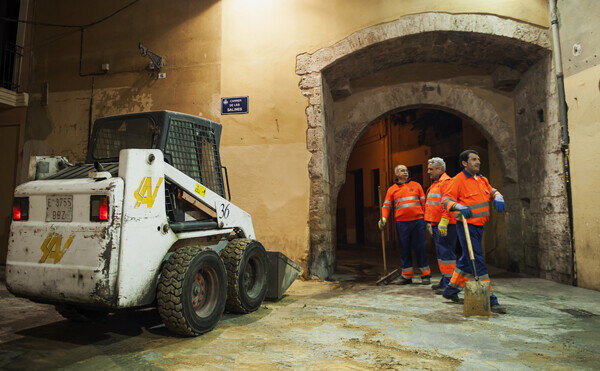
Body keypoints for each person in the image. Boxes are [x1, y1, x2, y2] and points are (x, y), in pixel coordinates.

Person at [441, 150, 507, 314]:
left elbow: (491, 191)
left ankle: (451, 290)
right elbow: (446, 200)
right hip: (466, 226)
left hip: (479, 226)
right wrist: (457, 206)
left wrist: (498, 195)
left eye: (478, 159)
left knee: (466, 261)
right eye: (474, 160)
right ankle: (491, 299)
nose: (478, 162)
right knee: (477, 260)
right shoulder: (457, 180)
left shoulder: (482, 179)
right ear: (464, 163)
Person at [378, 164, 431, 285]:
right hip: (402, 224)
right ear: (397, 174)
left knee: (421, 248)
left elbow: (424, 205)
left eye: (406, 170)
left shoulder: (417, 186)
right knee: (404, 249)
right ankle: (407, 276)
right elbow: (386, 206)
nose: (406, 172)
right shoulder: (392, 189)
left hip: (418, 222)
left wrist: (427, 221)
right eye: (402, 171)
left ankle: (426, 274)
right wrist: (383, 219)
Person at [424, 157, 457, 293]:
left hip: (446, 224)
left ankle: (450, 284)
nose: (428, 172)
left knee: (447, 254)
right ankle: (445, 280)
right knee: (442, 255)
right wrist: (431, 223)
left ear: (440, 169)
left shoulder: (446, 183)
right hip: (438, 224)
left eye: (431, 169)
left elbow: (447, 204)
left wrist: (444, 220)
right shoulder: (436, 183)